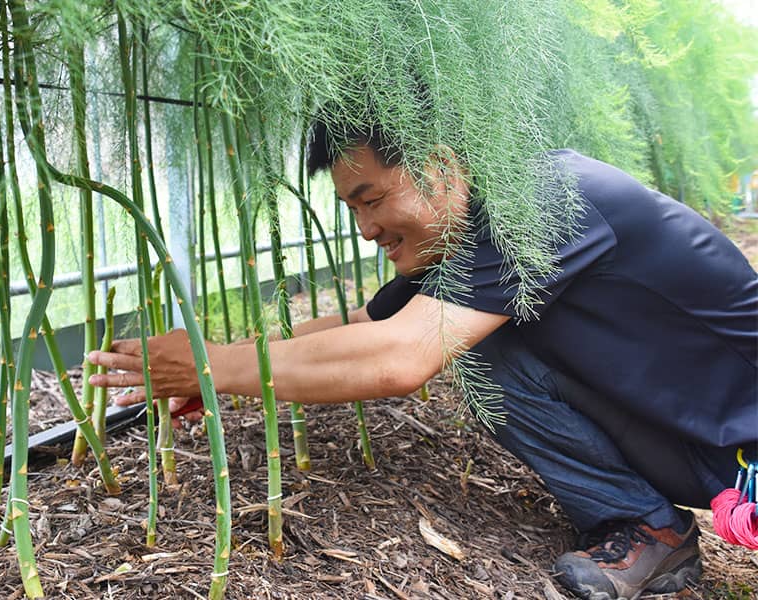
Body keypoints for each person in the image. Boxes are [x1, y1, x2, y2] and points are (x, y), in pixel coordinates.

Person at [88, 119, 758, 600]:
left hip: (742, 448)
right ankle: (649, 530)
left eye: (372, 200)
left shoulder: (551, 198)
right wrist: (218, 358)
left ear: (439, 165)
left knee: (472, 347)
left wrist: (212, 368)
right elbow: (367, 323)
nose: (367, 230)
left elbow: (401, 355)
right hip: (694, 444)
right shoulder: (474, 227)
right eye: (353, 209)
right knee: (484, 347)